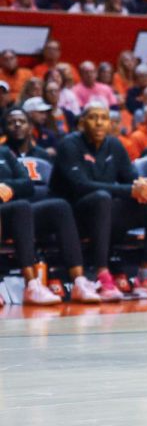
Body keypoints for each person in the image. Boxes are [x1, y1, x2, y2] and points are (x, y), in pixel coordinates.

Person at [51, 101, 147, 300]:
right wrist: (130, 189)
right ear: (81, 123)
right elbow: (81, 186)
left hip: (106, 214)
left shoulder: (114, 144)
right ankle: (101, 275)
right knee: (101, 198)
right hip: (74, 216)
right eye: (93, 118)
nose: (99, 123)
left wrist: (143, 187)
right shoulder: (69, 145)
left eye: (103, 118)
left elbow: (130, 179)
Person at [1, 109, 100, 304]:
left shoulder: (4, 153)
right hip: (8, 213)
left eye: (22, 121)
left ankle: (79, 281)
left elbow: (27, 184)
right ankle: (32, 284)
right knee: (22, 207)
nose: (18, 125)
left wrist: (8, 186)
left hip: (20, 214)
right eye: (13, 122)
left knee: (60, 206)